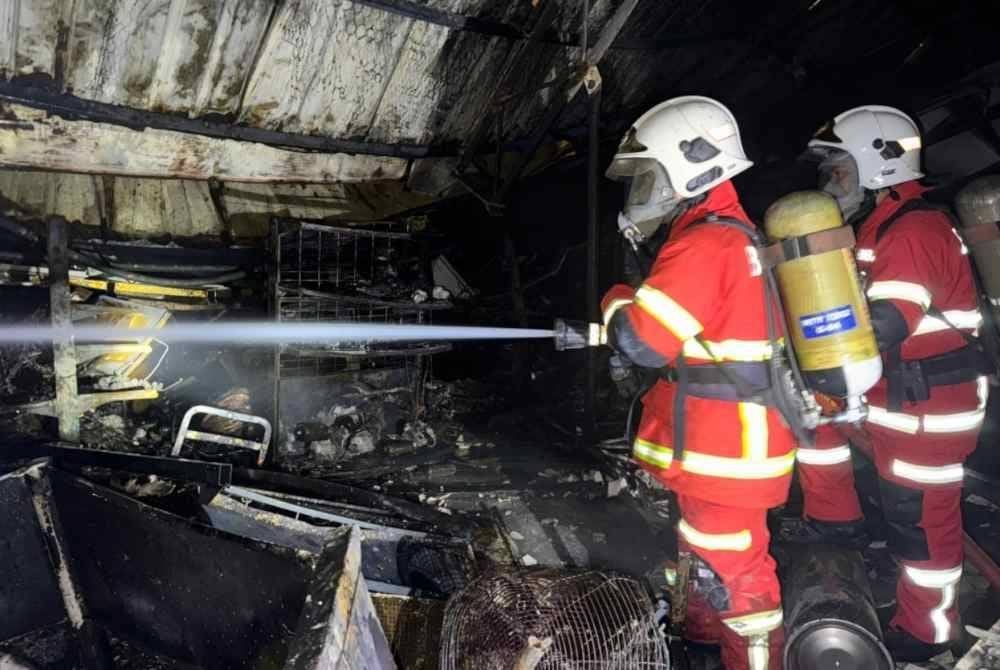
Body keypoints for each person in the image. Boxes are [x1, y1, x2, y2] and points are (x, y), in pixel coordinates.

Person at [785, 105, 989, 661]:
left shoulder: (914, 230)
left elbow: (886, 322)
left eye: (840, 169)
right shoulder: (881, 227)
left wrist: (813, 349)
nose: (831, 183)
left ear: (881, 167)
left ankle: (926, 634)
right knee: (902, 513)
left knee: (921, 529)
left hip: (927, 410)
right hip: (898, 401)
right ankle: (844, 529)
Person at [601, 96, 795, 670]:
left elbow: (642, 341)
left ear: (689, 168)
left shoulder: (705, 244)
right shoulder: (735, 236)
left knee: (741, 585)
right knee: (707, 561)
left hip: (725, 454)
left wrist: (615, 299)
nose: (641, 191)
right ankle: (703, 643)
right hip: (728, 448)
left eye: (649, 175)